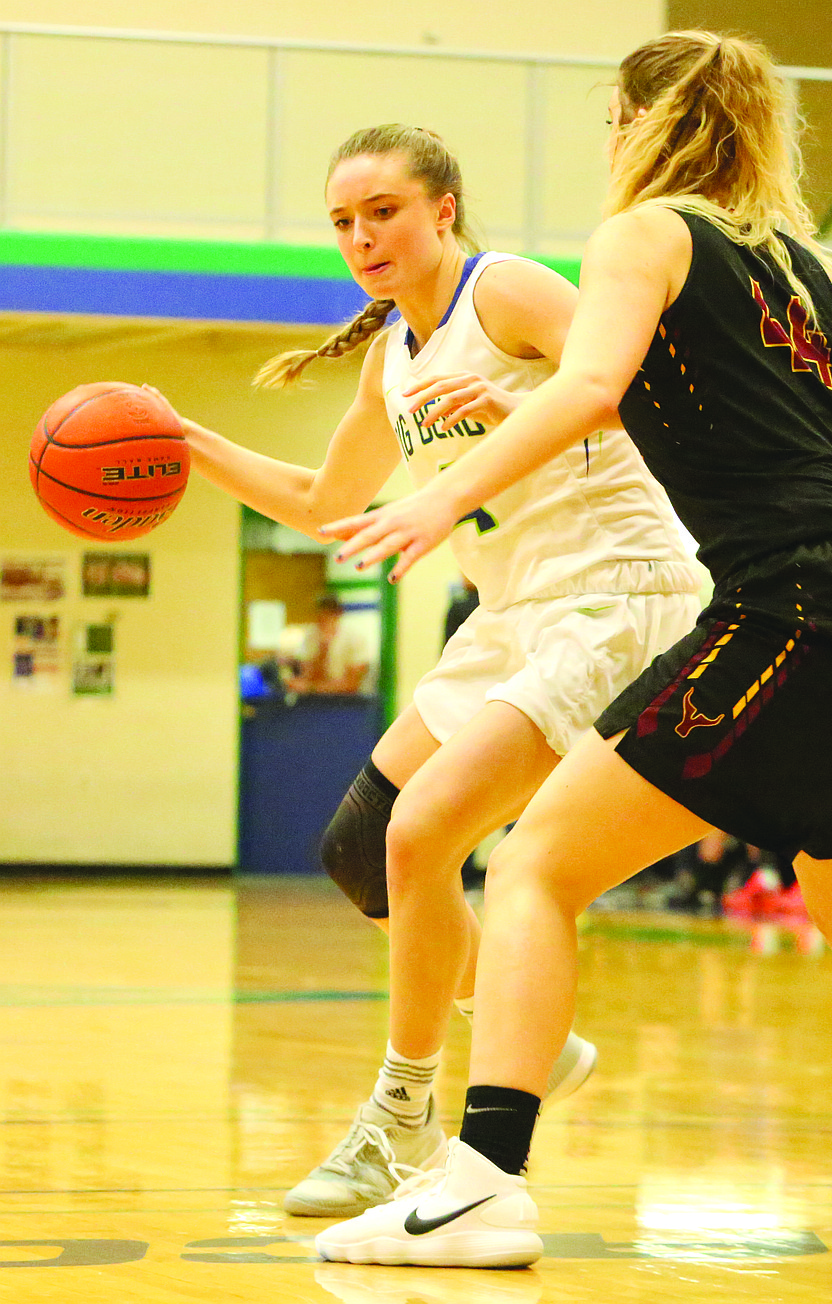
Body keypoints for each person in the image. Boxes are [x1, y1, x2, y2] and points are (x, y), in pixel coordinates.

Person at [312, 32, 832, 1266]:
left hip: (791, 602)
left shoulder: (642, 234)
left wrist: (443, 495)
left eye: (611, 125)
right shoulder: (808, 269)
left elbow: (592, 388)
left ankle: (482, 1178)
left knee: (534, 863)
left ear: (640, 124)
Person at [152, 122, 703, 1217]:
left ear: (443, 209)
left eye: (384, 211)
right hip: (513, 607)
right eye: (344, 222)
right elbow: (323, 503)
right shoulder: (391, 356)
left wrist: (519, 410)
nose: (362, 237)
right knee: (365, 845)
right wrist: (188, 439)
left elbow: (656, 391)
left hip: (618, 586)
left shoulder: (508, 292)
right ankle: (530, 1023)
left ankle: (400, 1120)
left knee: (424, 831)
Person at [286, 592, 373, 695]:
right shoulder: (311, 636)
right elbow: (308, 677)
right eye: (320, 615)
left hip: (350, 701)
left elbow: (353, 684)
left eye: (328, 614)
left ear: (338, 614)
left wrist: (312, 688)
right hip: (318, 697)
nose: (323, 620)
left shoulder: (354, 639)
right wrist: (322, 650)